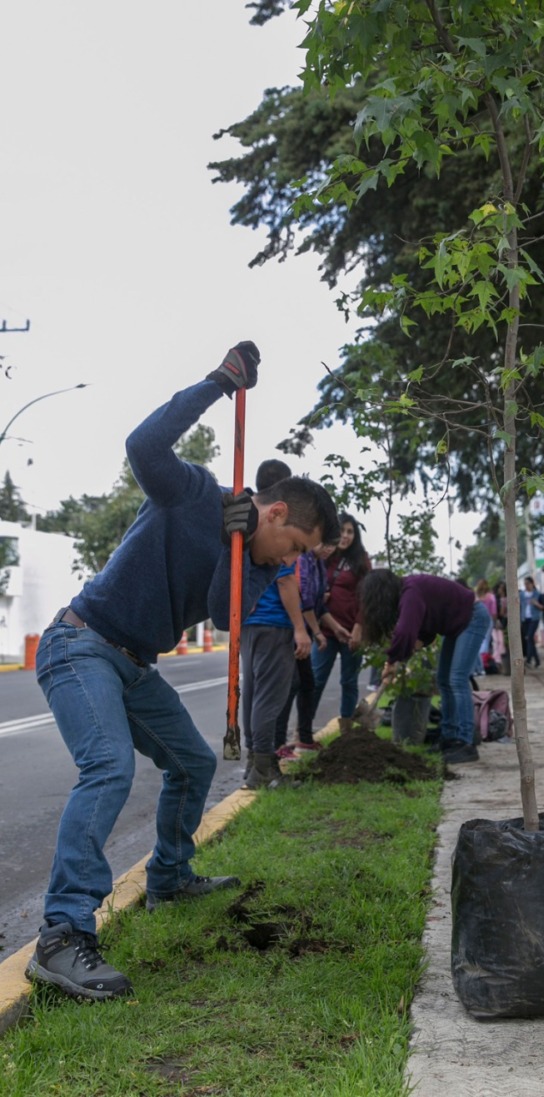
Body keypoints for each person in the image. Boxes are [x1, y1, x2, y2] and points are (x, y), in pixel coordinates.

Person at [26, 344, 340, 1001]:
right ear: (279, 514)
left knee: (195, 763)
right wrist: (217, 385)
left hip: (134, 665)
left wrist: (240, 538)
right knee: (109, 764)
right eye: (298, 548)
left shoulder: (256, 556)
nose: (294, 562)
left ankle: (168, 875)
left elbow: (226, 613)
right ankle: (60, 937)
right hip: (81, 643)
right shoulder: (195, 491)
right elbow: (142, 445)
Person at [359, 569, 492, 764]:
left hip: (472, 617)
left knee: (456, 679)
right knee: (443, 680)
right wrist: (418, 641)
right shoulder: (409, 593)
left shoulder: (410, 591)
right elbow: (425, 622)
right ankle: (450, 737)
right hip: (457, 624)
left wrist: (392, 660)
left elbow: (404, 632)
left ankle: (466, 743)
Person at [239, 457, 300, 788]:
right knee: (268, 697)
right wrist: (301, 629)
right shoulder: (278, 520)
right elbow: (285, 580)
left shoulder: (247, 518)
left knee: (251, 694)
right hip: (274, 622)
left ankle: (254, 764)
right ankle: (263, 769)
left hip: (248, 622)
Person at [274, 542, 335, 759]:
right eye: (326, 542)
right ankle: (277, 743)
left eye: (333, 545)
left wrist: (336, 628)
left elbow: (319, 605)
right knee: (290, 685)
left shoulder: (318, 564)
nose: (329, 548)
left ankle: (305, 738)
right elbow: (305, 602)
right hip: (292, 630)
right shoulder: (303, 559)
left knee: (307, 683)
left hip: (304, 631)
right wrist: (315, 633)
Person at [311, 513, 371, 733]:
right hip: (325, 630)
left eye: (350, 532)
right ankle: (304, 731)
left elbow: (368, 596)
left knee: (348, 681)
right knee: (315, 680)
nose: (345, 536)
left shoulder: (361, 560)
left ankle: (346, 730)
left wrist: (359, 627)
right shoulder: (323, 555)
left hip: (352, 633)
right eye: (342, 531)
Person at [473, 578, 497, 673]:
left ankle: (478, 663)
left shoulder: (476, 597)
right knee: (486, 640)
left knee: (477, 641)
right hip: (488, 619)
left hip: (476, 620)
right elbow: (494, 611)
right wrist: (495, 622)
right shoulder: (491, 597)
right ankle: (484, 661)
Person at [520, 576, 543, 668]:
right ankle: (537, 660)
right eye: (525, 584)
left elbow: (543, 607)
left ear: (532, 584)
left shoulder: (537, 594)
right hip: (525, 619)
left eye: (528, 583)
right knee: (529, 639)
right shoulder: (521, 594)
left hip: (534, 618)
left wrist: (536, 603)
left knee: (529, 637)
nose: (526, 585)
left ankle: (529, 659)